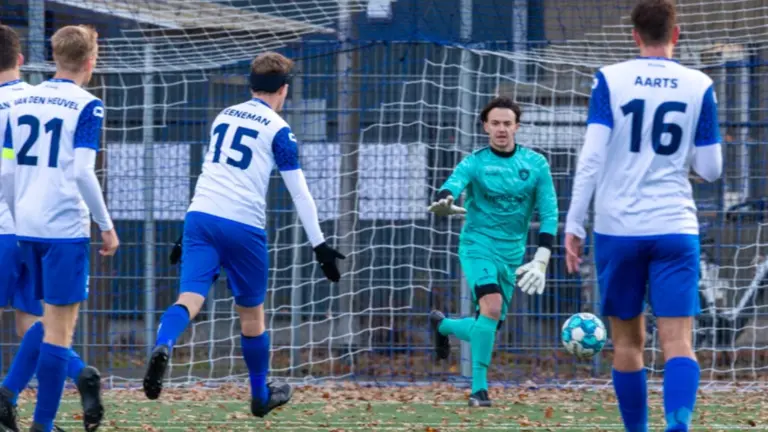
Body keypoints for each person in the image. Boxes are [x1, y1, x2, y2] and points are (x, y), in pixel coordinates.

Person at [142, 52, 345, 418]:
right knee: (251, 315)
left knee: (189, 297)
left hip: (200, 216)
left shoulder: (224, 116)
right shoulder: (278, 130)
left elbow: (213, 171)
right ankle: (258, 394)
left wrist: (182, 236)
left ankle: (164, 344)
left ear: (251, 85)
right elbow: (300, 193)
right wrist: (321, 246)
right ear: (283, 90)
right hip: (243, 225)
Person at [564, 1, 723, 430]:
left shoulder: (610, 80)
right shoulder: (699, 84)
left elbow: (591, 158)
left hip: (619, 230)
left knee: (626, 345)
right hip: (675, 228)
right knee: (679, 343)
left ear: (634, 36)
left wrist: (574, 223)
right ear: (676, 34)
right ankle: (678, 426)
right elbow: (710, 169)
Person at [0, 25, 119, 432]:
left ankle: (12, 394)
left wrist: (19, 210)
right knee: (59, 330)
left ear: (53, 57)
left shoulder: (23, 100)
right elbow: (84, 172)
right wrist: (106, 225)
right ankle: (43, 425)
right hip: (63, 228)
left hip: (24, 225)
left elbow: (7, 169)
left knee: (45, 324)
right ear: (91, 61)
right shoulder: (88, 105)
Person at [428, 96, 558, 407]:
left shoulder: (536, 164)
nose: (501, 129)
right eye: (495, 123)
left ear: (517, 127)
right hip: (477, 245)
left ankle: (443, 325)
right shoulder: (474, 161)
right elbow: (452, 183)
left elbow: (550, 213)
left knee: (490, 323)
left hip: (511, 253)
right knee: (492, 308)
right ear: (486, 126)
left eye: (507, 123)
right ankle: (479, 390)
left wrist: (541, 257)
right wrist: (446, 199)